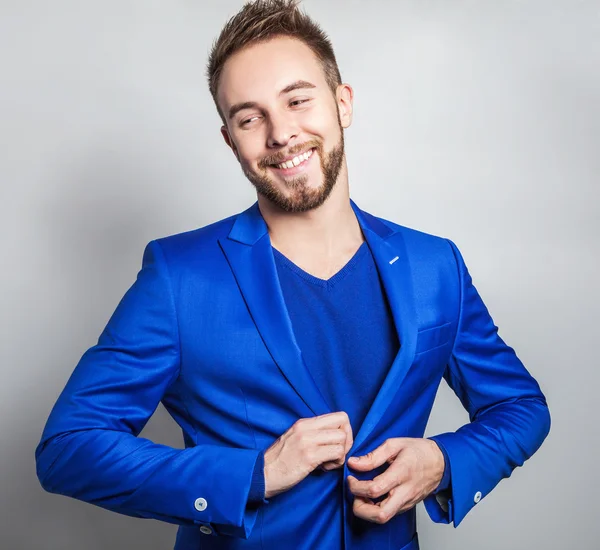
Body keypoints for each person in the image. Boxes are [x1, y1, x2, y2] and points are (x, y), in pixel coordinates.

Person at [35, 1, 551, 549]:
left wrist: (443, 462)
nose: (281, 133)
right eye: (250, 117)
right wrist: (253, 475)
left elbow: (520, 406)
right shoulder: (178, 278)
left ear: (342, 103)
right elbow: (70, 446)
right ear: (230, 139)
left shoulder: (434, 265)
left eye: (298, 100)